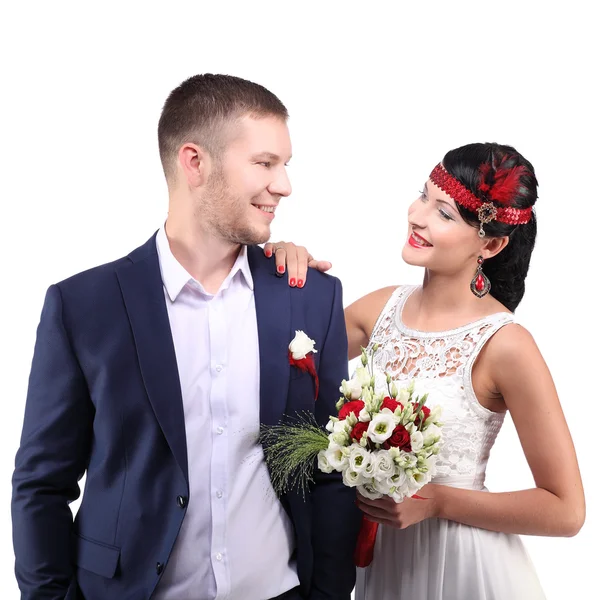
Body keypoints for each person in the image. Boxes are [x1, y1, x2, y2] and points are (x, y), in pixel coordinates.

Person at [11, 74, 361, 600]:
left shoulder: (311, 298)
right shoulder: (83, 306)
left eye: (285, 165)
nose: (284, 185)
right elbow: (42, 485)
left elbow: (330, 468)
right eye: (265, 164)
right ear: (194, 162)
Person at [266, 142, 585, 599]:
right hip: (385, 563)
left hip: (463, 564)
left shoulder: (506, 344)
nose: (417, 216)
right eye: (423, 196)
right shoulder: (380, 309)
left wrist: (437, 502)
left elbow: (566, 510)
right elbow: (283, 359)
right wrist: (281, 268)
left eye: (445, 214)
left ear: (491, 244)